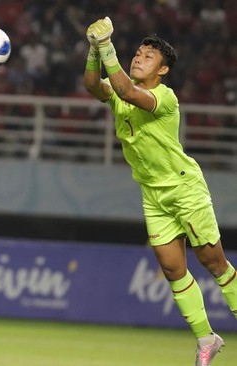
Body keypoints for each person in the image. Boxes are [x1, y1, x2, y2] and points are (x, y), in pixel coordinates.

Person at [83, 17, 237, 366]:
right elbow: (94, 85)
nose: (138, 58)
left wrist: (108, 47)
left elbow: (125, 91)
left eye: (147, 56)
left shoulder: (163, 98)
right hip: (153, 194)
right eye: (137, 53)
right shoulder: (122, 90)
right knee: (172, 270)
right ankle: (206, 338)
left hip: (184, 189)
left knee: (213, 263)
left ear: (163, 70)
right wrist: (94, 52)